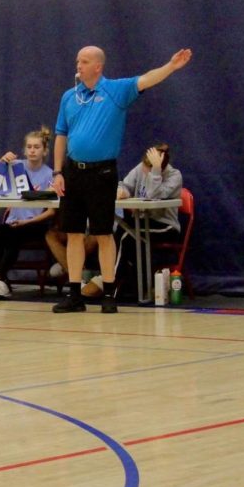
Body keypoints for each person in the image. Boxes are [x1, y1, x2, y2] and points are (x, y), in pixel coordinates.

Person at [51, 46, 192, 314]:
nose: (78, 65)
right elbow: (61, 134)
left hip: (102, 173)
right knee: (74, 234)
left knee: (104, 233)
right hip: (73, 173)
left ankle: (108, 293)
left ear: (98, 67)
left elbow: (147, 78)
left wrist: (171, 66)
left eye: (84, 61)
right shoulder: (69, 97)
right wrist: (57, 172)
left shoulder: (115, 91)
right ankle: (74, 295)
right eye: (77, 60)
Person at [89, 143, 183, 301]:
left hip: (165, 226)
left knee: (127, 237)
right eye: (146, 167)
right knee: (120, 230)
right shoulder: (140, 168)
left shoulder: (175, 176)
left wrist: (155, 171)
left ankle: (110, 285)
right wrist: (122, 191)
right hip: (141, 222)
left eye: (150, 168)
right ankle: (111, 279)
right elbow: (125, 184)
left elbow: (154, 195)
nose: (145, 172)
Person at [0, 127, 57, 299]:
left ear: (44, 151)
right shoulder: (16, 167)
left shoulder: (50, 174)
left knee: (14, 237)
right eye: (29, 147)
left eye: (37, 147)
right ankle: (2, 281)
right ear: (24, 150)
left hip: (35, 223)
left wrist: (27, 222)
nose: (32, 150)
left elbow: (51, 212)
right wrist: (2, 162)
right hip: (13, 221)